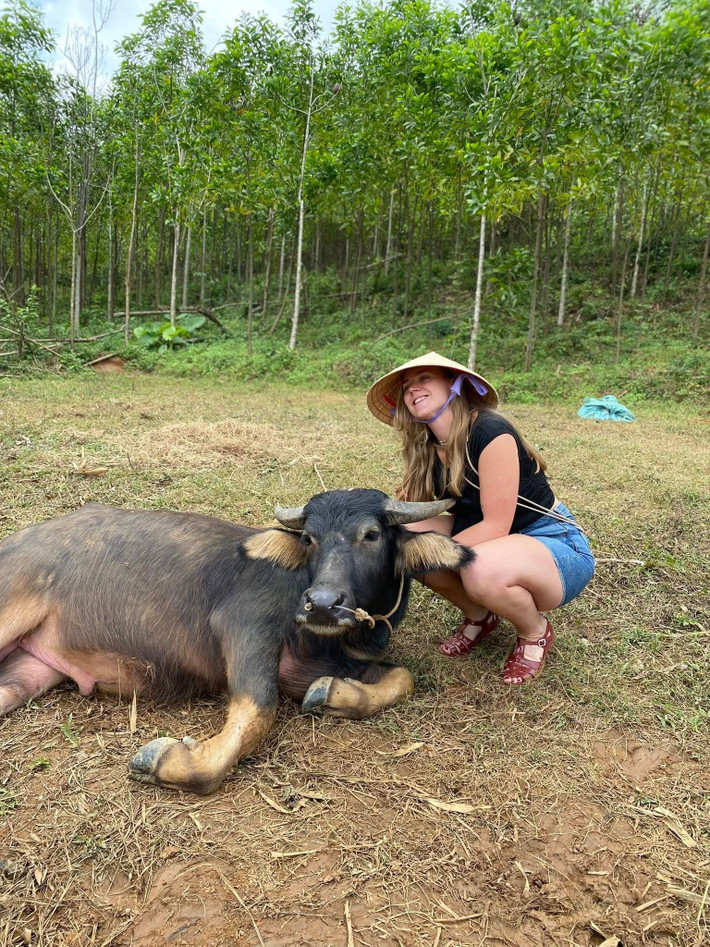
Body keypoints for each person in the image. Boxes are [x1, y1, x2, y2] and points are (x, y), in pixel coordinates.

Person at [366, 352, 595, 685]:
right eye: (406, 386)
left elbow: (495, 525)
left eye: (424, 378)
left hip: (551, 540)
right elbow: (412, 513)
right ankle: (480, 616)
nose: (412, 389)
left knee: (474, 566)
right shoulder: (427, 446)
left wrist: (431, 552)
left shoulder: (490, 431)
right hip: (491, 539)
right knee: (400, 537)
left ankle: (535, 631)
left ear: (454, 384)